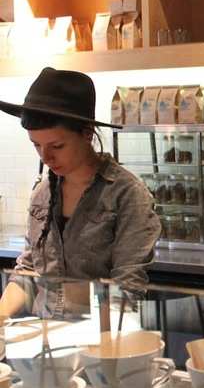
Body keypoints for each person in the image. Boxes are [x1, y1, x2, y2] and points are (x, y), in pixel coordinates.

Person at [0, 67, 161, 318]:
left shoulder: (127, 194)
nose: (45, 157)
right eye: (36, 145)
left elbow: (127, 288)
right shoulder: (42, 193)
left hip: (101, 342)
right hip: (44, 343)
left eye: (57, 145)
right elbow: (28, 271)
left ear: (87, 134)